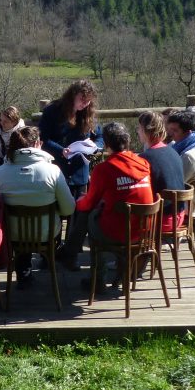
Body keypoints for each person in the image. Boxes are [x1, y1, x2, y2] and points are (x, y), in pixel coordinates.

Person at [55, 122, 154, 294]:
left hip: (117, 231)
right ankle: (73, 256)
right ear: (128, 141)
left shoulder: (104, 169)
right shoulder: (143, 164)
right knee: (96, 212)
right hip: (144, 230)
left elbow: (88, 202)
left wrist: (77, 201)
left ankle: (95, 276)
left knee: (88, 215)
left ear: (107, 145)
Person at [0, 126, 75, 289]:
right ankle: (49, 261)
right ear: (38, 144)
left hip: (12, 235)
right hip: (46, 234)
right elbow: (69, 209)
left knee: (20, 229)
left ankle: (24, 274)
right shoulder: (53, 171)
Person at [38, 80, 103, 199]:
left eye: (88, 101)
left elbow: (100, 136)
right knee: (59, 212)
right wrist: (60, 150)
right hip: (57, 170)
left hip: (80, 172)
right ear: (73, 95)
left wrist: (95, 146)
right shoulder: (52, 111)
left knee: (78, 213)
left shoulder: (88, 113)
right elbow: (42, 139)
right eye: (82, 99)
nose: (85, 104)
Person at [137, 110, 186, 232]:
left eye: (139, 128)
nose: (137, 132)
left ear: (145, 130)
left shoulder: (145, 159)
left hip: (160, 220)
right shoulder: (173, 151)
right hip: (179, 216)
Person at [166, 109, 195, 183]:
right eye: (169, 129)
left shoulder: (189, 156)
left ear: (188, 133)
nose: (170, 133)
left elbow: (173, 183)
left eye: (175, 130)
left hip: (184, 193)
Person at [0, 105, 25, 178]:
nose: (1, 123)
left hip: (17, 170)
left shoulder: (23, 135)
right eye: (1, 120)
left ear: (14, 122)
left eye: (6, 121)